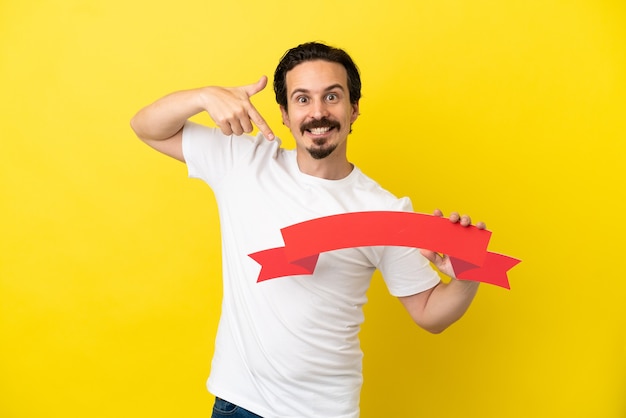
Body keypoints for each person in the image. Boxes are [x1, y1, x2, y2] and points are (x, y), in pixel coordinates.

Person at [130, 42, 486, 418]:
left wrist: (467, 276)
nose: (318, 112)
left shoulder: (385, 211)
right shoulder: (241, 161)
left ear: (354, 109)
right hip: (240, 405)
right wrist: (203, 96)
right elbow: (147, 127)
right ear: (284, 114)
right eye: (303, 99)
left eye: (332, 97)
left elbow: (429, 313)